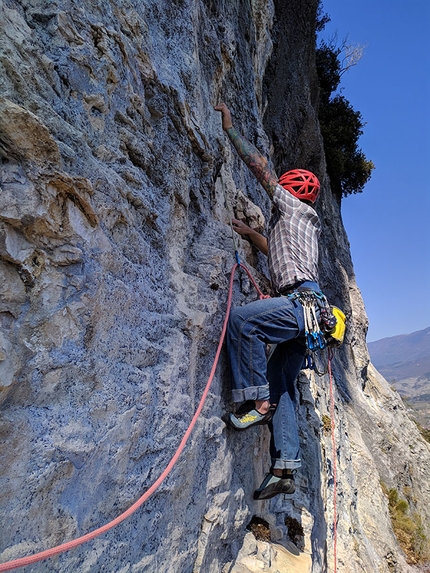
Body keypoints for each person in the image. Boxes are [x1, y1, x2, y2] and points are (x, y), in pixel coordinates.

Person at [214, 102, 322, 500]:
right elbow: (274, 249)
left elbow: (261, 170)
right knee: (284, 383)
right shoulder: (300, 227)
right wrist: (249, 232)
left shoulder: (293, 206)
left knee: (244, 322)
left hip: (299, 305)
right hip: (313, 317)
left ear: (292, 193)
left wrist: (230, 129)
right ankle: (284, 467)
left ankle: (256, 405)